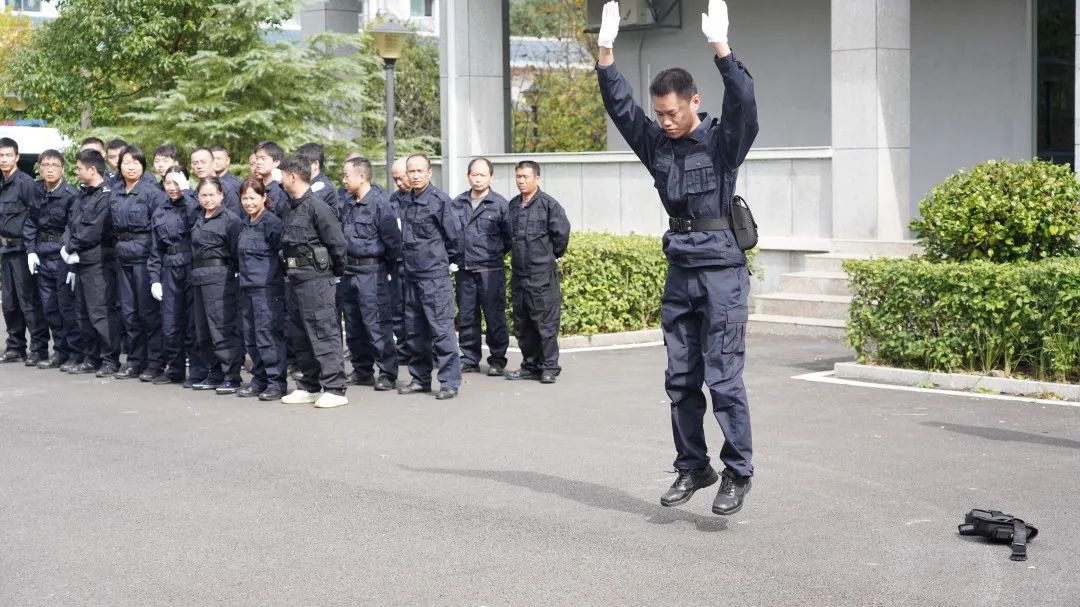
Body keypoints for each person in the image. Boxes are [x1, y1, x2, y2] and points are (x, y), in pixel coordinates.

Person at [595, 0, 758, 515]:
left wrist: (721, 48)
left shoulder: (722, 143)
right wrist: (605, 53)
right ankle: (693, 466)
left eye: (673, 112)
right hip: (681, 271)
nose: (664, 122)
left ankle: (738, 472)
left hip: (723, 274)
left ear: (694, 102)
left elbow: (745, 105)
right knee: (681, 379)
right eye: (659, 113)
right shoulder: (658, 146)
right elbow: (622, 109)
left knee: (723, 378)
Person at [277, 155, 349, 408]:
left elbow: (337, 244)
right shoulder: (291, 206)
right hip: (295, 278)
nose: (280, 179)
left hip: (317, 280)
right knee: (300, 335)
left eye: (282, 174)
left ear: (292, 176)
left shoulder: (317, 207)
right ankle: (309, 385)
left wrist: (333, 274)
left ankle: (335, 388)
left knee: (322, 332)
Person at [396, 154, 463, 400]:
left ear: (429, 173)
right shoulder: (403, 200)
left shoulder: (439, 201)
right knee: (415, 331)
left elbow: (455, 239)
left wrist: (441, 261)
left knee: (441, 330)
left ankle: (449, 382)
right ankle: (420, 378)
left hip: (433, 276)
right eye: (410, 171)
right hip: (410, 275)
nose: (414, 176)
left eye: (419, 171)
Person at [504, 161, 570, 385]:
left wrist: (548, 258)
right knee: (522, 324)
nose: (521, 181)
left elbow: (561, 237)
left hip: (541, 275)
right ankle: (529, 365)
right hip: (519, 275)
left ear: (537, 178)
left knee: (545, 323)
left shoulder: (549, 205)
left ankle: (549, 366)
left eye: (525, 177)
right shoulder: (513, 206)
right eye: (518, 177)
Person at [339, 156, 400, 391]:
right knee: (354, 324)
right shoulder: (347, 203)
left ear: (362, 176)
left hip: (372, 271)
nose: (344, 180)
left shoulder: (380, 204)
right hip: (349, 270)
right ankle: (362, 370)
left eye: (347, 175)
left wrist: (385, 271)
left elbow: (393, 243)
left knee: (376, 324)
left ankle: (387, 372)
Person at [110, 145, 169, 381]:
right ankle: (135, 360)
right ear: (119, 166)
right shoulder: (115, 192)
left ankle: (155, 362)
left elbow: (160, 230)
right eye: (126, 162)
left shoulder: (152, 192)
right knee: (129, 313)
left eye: (136, 162)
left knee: (148, 314)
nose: (131, 166)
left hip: (144, 259)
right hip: (122, 258)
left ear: (143, 166)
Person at [61, 149, 122, 376]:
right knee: (83, 312)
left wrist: (71, 246)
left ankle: (109, 359)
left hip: (98, 261)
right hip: (81, 261)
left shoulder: (106, 195)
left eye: (79, 168)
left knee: (101, 312)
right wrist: (66, 246)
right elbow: (70, 224)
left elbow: (94, 229)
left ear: (92, 169)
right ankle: (91, 357)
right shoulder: (82, 195)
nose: (76, 172)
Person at [450, 158, 511, 376]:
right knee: (467, 317)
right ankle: (469, 358)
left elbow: (509, 238)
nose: (478, 179)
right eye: (474, 175)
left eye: (482, 175)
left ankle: (497, 359)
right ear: (468, 176)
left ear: (491, 177)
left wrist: (492, 255)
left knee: (494, 317)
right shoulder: (457, 203)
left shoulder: (500, 205)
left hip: (490, 271)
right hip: (465, 270)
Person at [148, 167, 206, 387]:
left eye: (176, 183)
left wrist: (187, 191)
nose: (172, 188)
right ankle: (175, 369)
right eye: (168, 183)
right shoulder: (160, 211)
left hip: (191, 265)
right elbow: (155, 249)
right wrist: (154, 278)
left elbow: (196, 219)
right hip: (169, 268)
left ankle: (198, 372)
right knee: (170, 323)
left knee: (193, 322)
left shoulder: (193, 205)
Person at [25, 149, 81, 370]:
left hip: (61, 255)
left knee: (66, 307)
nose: (49, 169)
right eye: (45, 165)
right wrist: (31, 250)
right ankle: (59, 352)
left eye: (54, 165)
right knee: (49, 308)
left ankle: (75, 353)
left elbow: (72, 227)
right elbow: (30, 221)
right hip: (42, 253)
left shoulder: (70, 194)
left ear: (63, 169)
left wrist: (69, 257)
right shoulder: (36, 190)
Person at [189, 177, 244, 394]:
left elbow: (236, 252)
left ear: (221, 195)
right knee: (202, 329)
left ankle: (231, 375)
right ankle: (214, 372)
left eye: (212, 194)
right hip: (199, 277)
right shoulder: (198, 218)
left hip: (221, 277)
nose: (208, 199)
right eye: (203, 195)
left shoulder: (231, 220)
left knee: (221, 327)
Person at [235, 178, 288, 401]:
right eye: (244, 198)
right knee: (251, 337)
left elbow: (283, 254)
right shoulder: (244, 223)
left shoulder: (272, 224)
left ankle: (276, 382)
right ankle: (259, 380)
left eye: (253, 198)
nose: (248, 202)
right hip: (247, 288)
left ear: (264, 197)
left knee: (268, 335)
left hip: (267, 289)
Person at [0, 137, 49, 365]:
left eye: (8, 155)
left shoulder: (26, 183)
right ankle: (15, 346)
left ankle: (38, 348)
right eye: (1, 155)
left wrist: (33, 249)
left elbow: (37, 216)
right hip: (6, 250)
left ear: (17, 157)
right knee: (9, 302)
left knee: (28, 300)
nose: (4, 159)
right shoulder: (3, 183)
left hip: (23, 250)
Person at [387, 157, 409, 359]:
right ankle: (403, 348)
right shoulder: (393, 199)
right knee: (398, 307)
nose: (399, 184)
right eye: (396, 180)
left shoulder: (429, 197)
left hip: (418, 263)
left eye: (401, 178)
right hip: (397, 262)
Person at [191, 148, 241, 217]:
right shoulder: (197, 189)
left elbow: (235, 218)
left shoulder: (225, 188)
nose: (199, 166)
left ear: (213, 163)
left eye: (203, 162)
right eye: (195, 163)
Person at [295, 142, 339, 212]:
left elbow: (305, 208)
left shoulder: (325, 187)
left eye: (303, 163)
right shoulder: (304, 182)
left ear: (316, 164)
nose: (299, 166)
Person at [253, 141, 288, 218]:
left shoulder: (280, 192)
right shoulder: (253, 187)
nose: (258, 162)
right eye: (257, 158)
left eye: (263, 158)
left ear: (276, 162)